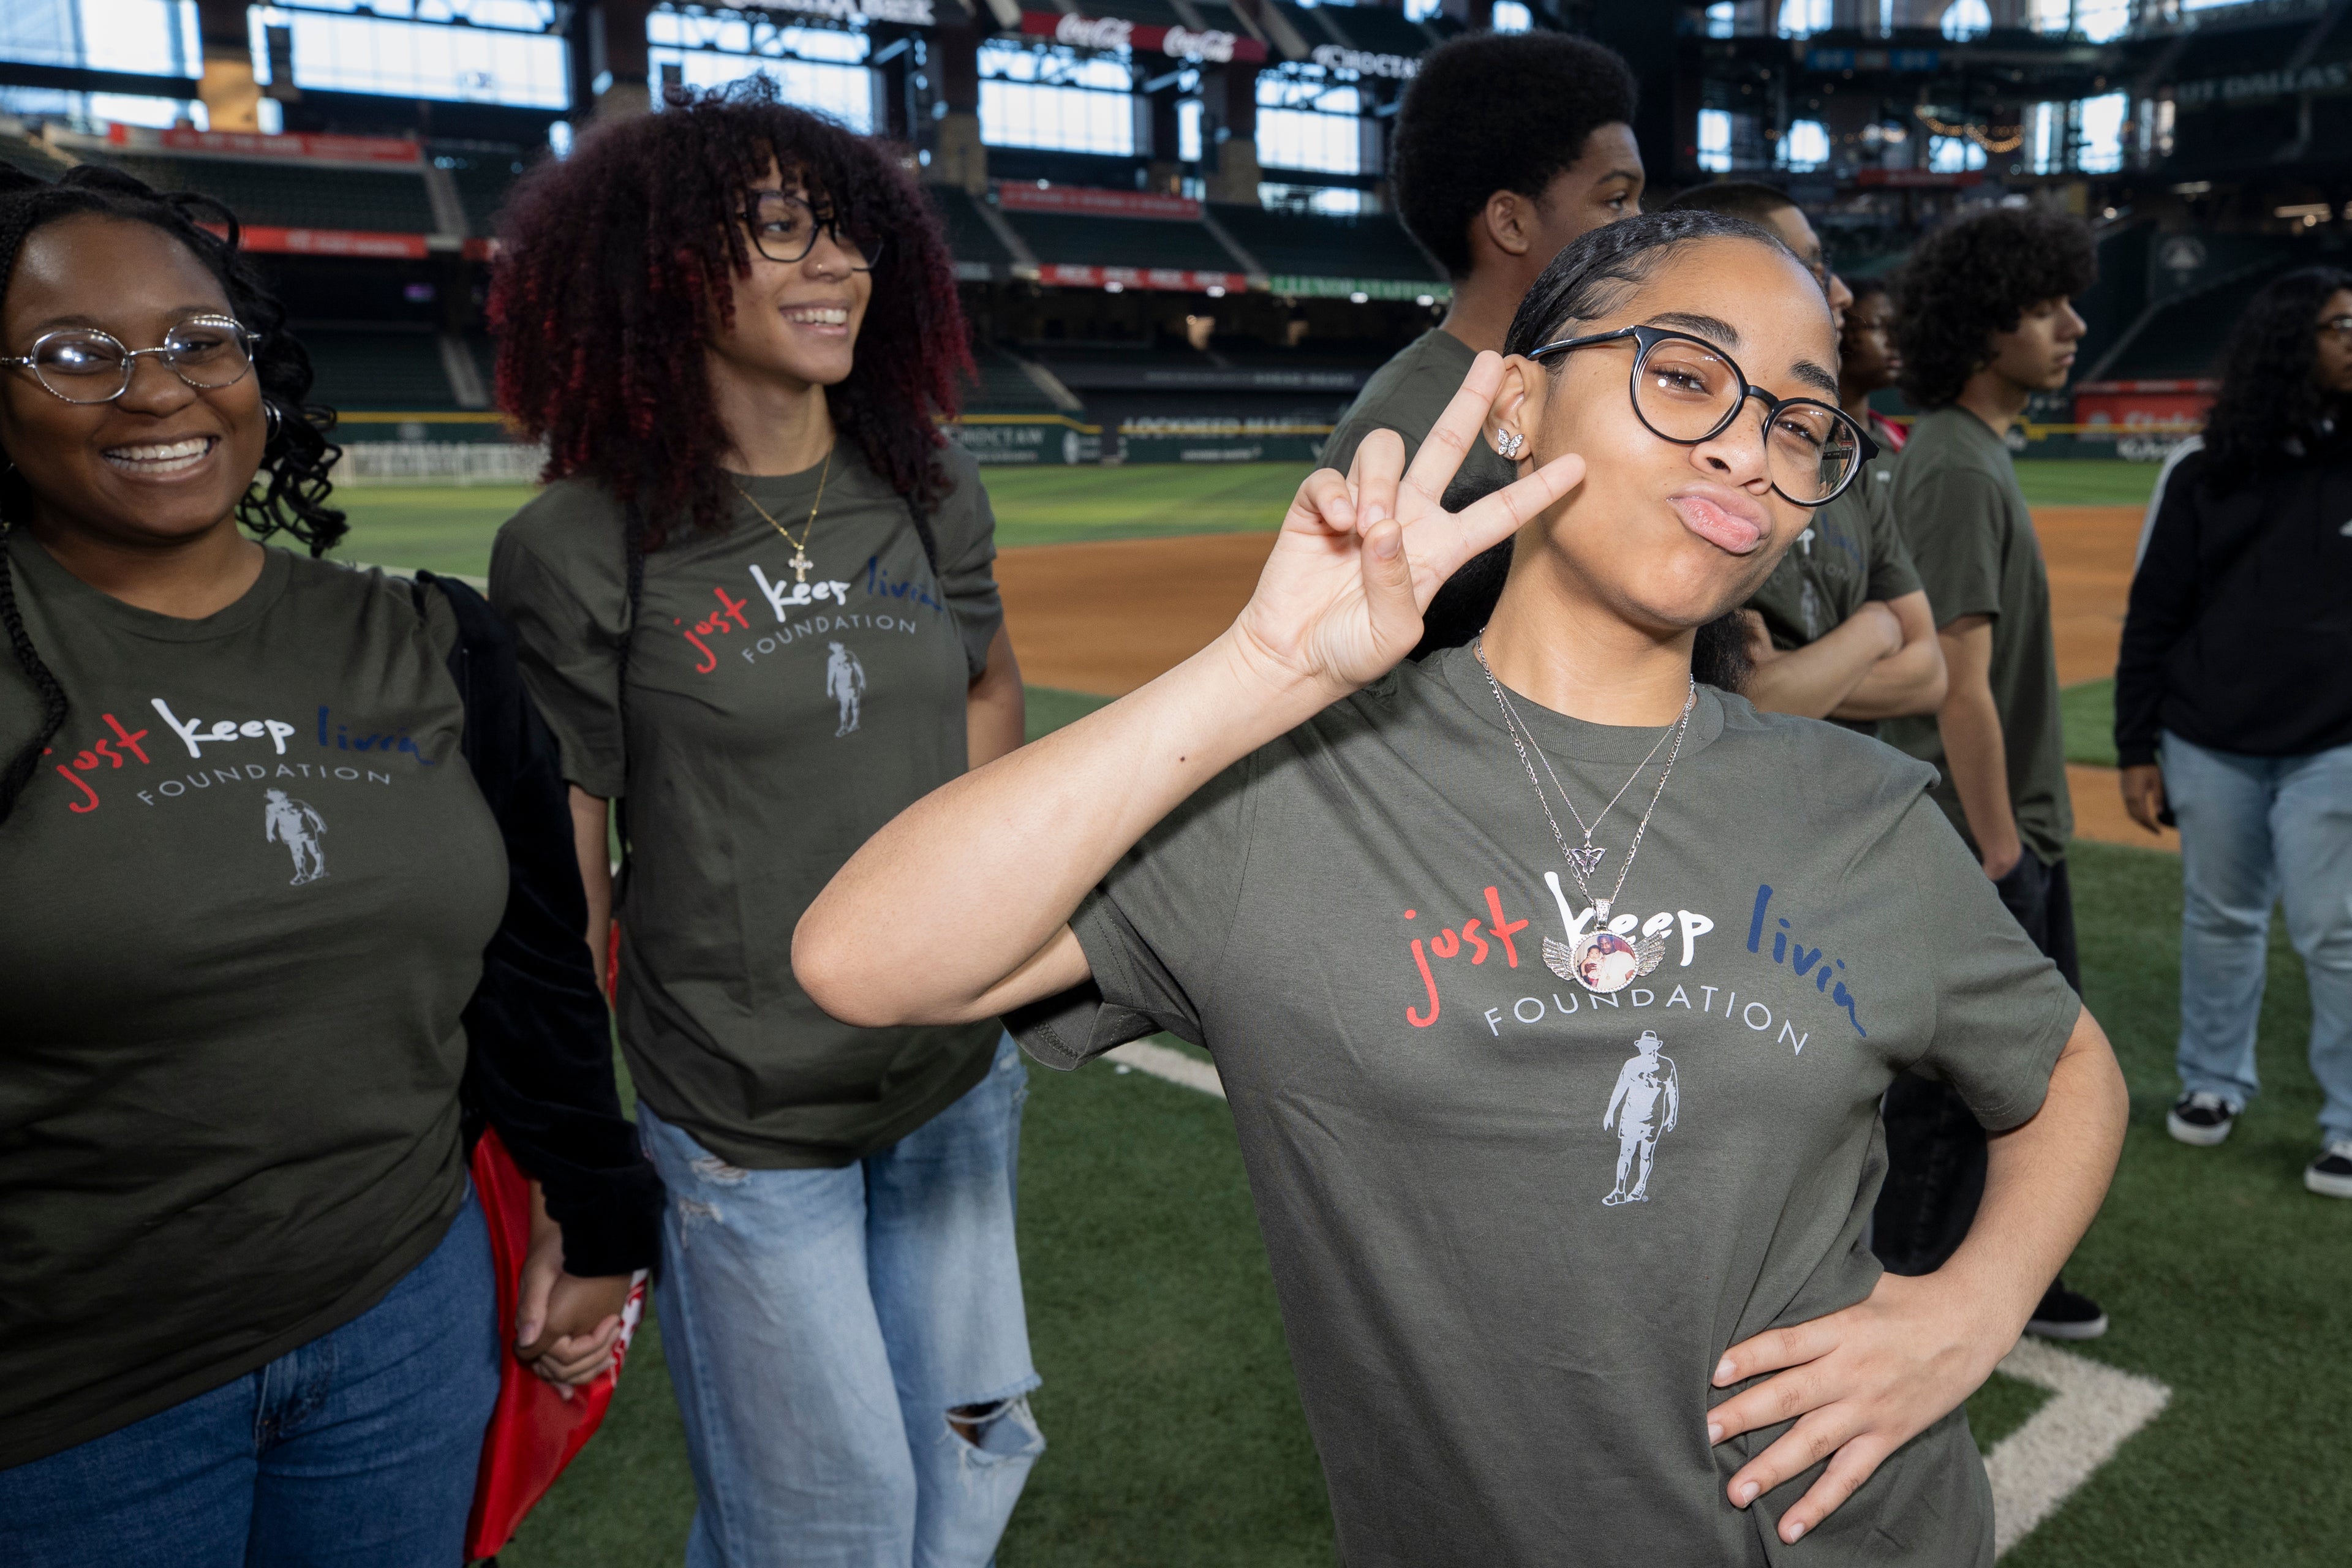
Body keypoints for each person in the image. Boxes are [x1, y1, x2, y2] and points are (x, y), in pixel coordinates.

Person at [797, 209, 2129, 1564]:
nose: (1748, 445)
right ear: (1514, 401)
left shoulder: (1861, 809)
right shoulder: (1281, 789)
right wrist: (1261, 672)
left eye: (1799, 422)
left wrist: (1972, 1307)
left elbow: (2068, 1064)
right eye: (1685, 374)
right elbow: (865, 958)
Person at [0, 165, 660, 1562]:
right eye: (77, 354)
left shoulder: (435, 640)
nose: (157, 389)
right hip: (67, 1394)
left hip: (399, 1327)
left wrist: (600, 1218)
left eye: (198, 341)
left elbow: (537, 975)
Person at [484, 81, 1041, 1567]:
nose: (837, 263)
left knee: (965, 1474)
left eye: (850, 228)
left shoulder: (925, 485)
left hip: (948, 1087)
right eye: (781, 228)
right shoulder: (580, 539)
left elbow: (988, 690)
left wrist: (987, 940)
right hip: (744, 1115)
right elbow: (569, 872)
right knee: (826, 1523)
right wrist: (574, 1174)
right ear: (661, 262)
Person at [1872, 205, 2109, 1338]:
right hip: (1981, 834)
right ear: (1983, 327)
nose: (2071, 324)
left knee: (2015, 1084)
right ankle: (1909, 1292)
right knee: (1963, 1095)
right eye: (2043, 306)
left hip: (2003, 827)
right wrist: (2004, 848)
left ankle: (2011, 1269)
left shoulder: (1971, 456)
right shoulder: (1958, 469)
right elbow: (1957, 682)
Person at [2116, 265, 2352, 1197]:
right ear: (2291, 341)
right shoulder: (2202, 470)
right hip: (2209, 740)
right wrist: (2138, 746)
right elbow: (2154, 617)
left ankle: (2347, 1120)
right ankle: (2214, 1082)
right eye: (2340, 324)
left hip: (2335, 744)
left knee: (2336, 932)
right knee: (2220, 920)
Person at [1662, 183, 1943, 727]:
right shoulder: (1698, 461)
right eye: (1812, 268)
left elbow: (1930, 675)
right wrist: (1877, 630)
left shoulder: (1843, 452)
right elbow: (1748, 699)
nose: (1840, 293)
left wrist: (1803, 675)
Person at [1322, 30, 1642, 492]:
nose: (1640, 225)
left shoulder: (1579, 387)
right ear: (1511, 224)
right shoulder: (1396, 435)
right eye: (1616, 199)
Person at [1840, 277, 1909, 453]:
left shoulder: (1902, 440)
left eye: (1896, 329)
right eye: (1880, 327)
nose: (1894, 342)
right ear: (1841, 329)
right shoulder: (1811, 441)